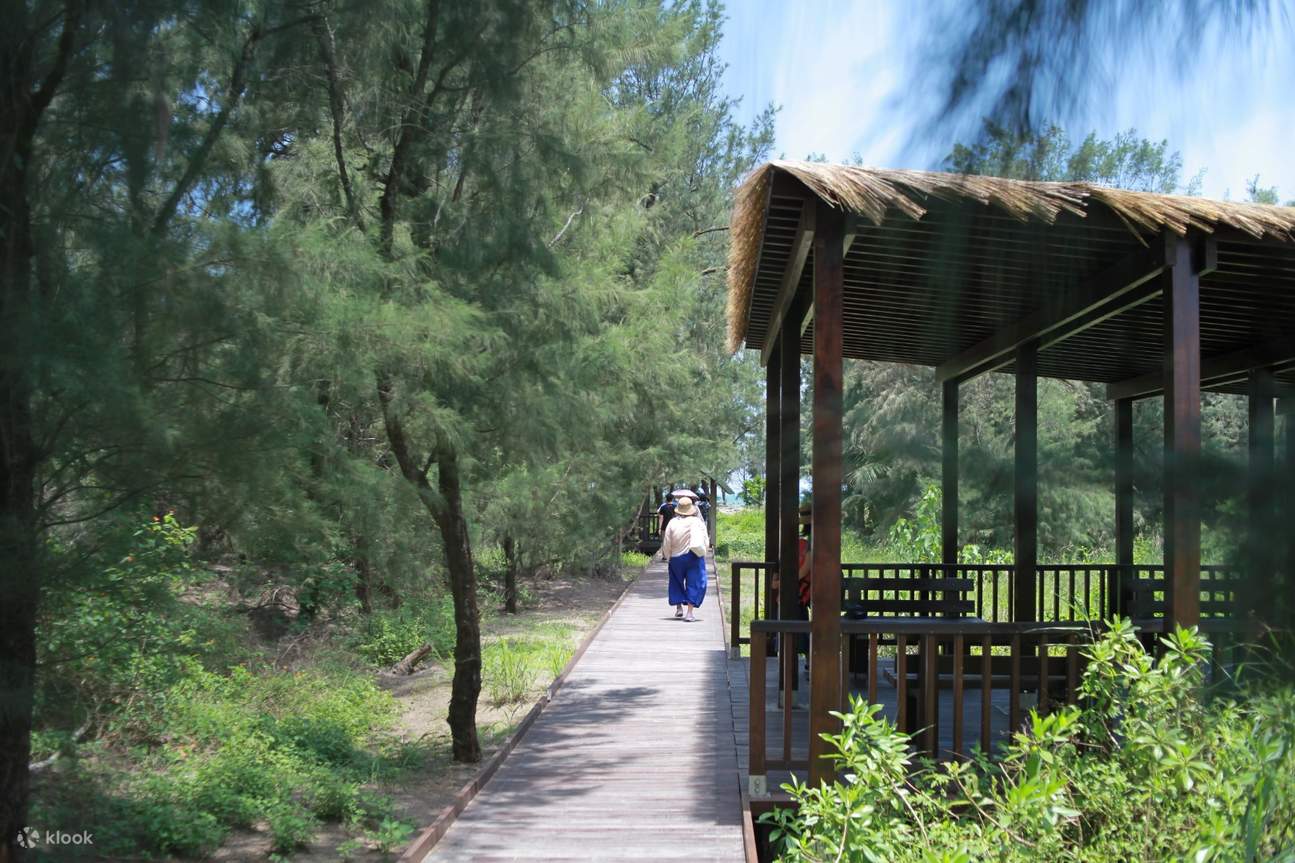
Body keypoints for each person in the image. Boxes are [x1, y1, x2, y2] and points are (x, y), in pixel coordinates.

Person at [657, 490, 709, 622]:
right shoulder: (697, 522)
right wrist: (705, 552)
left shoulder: (673, 523)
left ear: (678, 509)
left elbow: (667, 542)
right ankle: (690, 613)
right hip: (694, 556)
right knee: (695, 582)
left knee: (676, 581)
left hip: (676, 557)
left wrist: (668, 556)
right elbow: (705, 540)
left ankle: (679, 608)